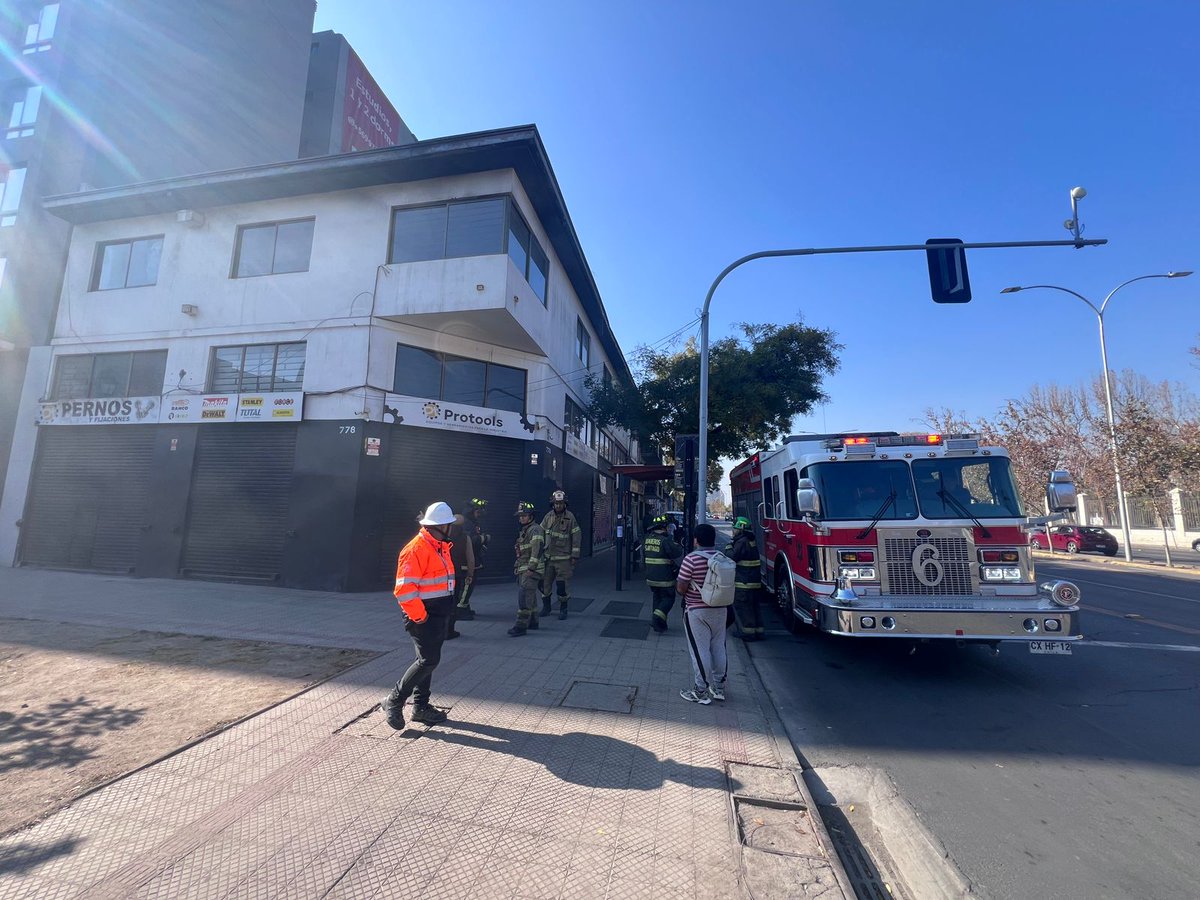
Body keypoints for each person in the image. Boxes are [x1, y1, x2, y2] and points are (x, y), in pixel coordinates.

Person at [381, 502, 457, 729]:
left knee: (428, 661)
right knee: (428, 660)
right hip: (424, 616)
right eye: (449, 525)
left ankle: (421, 707)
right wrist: (420, 617)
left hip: (436, 614)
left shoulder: (438, 546)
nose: (452, 528)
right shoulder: (417, 548)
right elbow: (404, 590)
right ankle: (394, 701)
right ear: (441, 526)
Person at [675, 523, 728, 704]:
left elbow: (681, 587)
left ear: (696, 540)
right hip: (721, 610)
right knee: (719, 647)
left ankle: (700, 691)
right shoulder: (722, 557)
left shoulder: (691, 559)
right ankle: (719, 688)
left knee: (700, 651)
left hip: (697, 611)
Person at [540, 489, 581, 620]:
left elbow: (576, 536)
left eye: (561, 503)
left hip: (563, 559)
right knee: (545, 585)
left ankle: (564, 609)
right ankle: (546, 608)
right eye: (556, 503)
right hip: (548, 558)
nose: (558, 506)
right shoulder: (548, 517)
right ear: (552, 504)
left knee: (562, 586)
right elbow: (540, 533)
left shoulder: (570, 518)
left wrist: (574, 555)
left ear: (565, 504)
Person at [724, 517, 765, 642]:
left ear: (741, 528)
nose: (734, 531)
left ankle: (748, 633)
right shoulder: (751, 540)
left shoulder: (742, 542)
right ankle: (759, 631)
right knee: (754, 607)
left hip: (744, 582)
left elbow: (732, 557)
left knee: (743, 607)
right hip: (753, 581)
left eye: (735, 528)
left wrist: (728, 548)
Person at [508, 501, 545, 636]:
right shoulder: (526, 530)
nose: (521, 518)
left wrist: (531, 568)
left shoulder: (535, 529)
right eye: (520, 516)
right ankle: (533, 621)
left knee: (524, 597)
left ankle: (521, 626)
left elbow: (537, 550)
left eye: (524, 515)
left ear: (531, 516)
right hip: (525, 568)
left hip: (532, 570)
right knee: (531, 596)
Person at [643, 514, 684, 633]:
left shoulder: (647, 538)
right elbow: (677, 552)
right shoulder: (665, 540)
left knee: (657, 598)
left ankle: (660, 625)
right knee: (669, 598)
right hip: (665, 577)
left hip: (651, 576)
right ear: (664, 527)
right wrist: (674, 538)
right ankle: (656, 618)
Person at [453, 498, 489, 622]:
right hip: (466, 562)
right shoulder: (467, 523)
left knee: (467, 585)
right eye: (478, 511)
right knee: (467, 584)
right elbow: (470, 541)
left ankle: (465, 606)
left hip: (471, 559)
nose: (479, 514)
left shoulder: (470, 522)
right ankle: (460, 609)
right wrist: (484, 538)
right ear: (472, 510)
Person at [444, 512, 475, 640]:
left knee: (442, 601)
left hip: (442, 575)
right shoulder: (465, 538)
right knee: (453, 601)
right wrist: (470, 574)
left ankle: (439, 630)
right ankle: (449, 630)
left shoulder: (442, 536)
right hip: (456, 575)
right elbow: (471, 558)